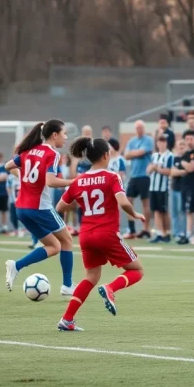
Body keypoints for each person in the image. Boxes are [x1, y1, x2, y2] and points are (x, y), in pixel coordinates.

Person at [54, 137, 146, 332]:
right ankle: (111, 288)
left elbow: (60, 206)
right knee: (137, 270)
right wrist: (135, 214)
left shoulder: (78, 180)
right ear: (106, 155)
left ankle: (67, 319)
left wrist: (82, 201)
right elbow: (122, 201)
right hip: (107, 233)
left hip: (86, 235)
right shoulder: (112, 176)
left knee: (91, 276)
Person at [3, 120, 75, 295]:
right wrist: (74, 182)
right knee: (67, 241)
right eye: (64, 133)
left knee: (54, 246)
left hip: (22, 208)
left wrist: (24, 177)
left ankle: (16, 266)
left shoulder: (28, 151)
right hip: (39, 208)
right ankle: (67, 286)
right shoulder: (52, 153)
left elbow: (8, 166)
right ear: (54, 135)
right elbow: (51, 182)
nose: (66, 137)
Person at [123, 120, 154, 239]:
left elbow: (142, 152)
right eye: (137, 128)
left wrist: (134, 153)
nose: (139, 130)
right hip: (134, 175)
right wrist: (136, 153)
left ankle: (145, 229)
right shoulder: (132, 141)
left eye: (141, 128)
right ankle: (131, 229)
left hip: (144, 175)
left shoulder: (148, 140)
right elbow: (126, 155)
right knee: (128, 201)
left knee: (145, 202)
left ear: (144, 128)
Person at [175, 131, 194, 245]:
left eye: (191, 139)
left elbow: (192, 168)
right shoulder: (184, 154)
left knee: (190, 211)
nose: (189, 141)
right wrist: (184, 166)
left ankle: (190, 235)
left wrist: (182, 164)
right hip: (184, 185)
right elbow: (174, 171)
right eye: (187, 139)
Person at [147, 136, 174, 243]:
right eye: (159, 142)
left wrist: (157, 168)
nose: (161, 144)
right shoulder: (154, 155)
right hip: (153, 186)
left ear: (166, 143)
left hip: (164, 187)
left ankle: (167, 232)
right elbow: (148, 170)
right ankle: (159, 233)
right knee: (156, 210)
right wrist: (153, 168)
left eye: (163, 142)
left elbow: (169, 171)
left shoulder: (170, 155)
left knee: (164, 211)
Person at [6, 155, 23, 237]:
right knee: (13, 215)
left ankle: (22, 229)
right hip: (14, 199)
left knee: (22, 215)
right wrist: (11, 196)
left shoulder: (24, 173)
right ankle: (16, 229)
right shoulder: (10, 177)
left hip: (22, 199)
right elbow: (8, 187)